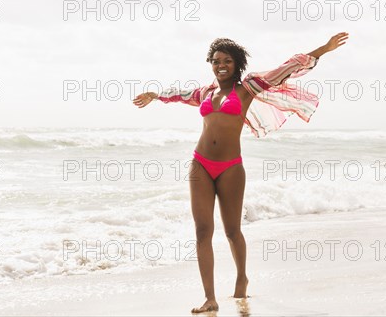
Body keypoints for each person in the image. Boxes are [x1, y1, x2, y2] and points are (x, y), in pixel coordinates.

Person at [132, 33, 349, 313]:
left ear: (237, 64)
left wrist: (324, 49)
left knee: (233, 231)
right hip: (200, 164)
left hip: (230, 168)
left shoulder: (248, 88)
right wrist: (155, 95)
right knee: (202, 231)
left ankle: (242, 277)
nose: (221, 65)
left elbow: (288, 67)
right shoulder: (205, 93)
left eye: (227, 61)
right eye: (216, 61)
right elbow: (180, 94)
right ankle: (209, 297)